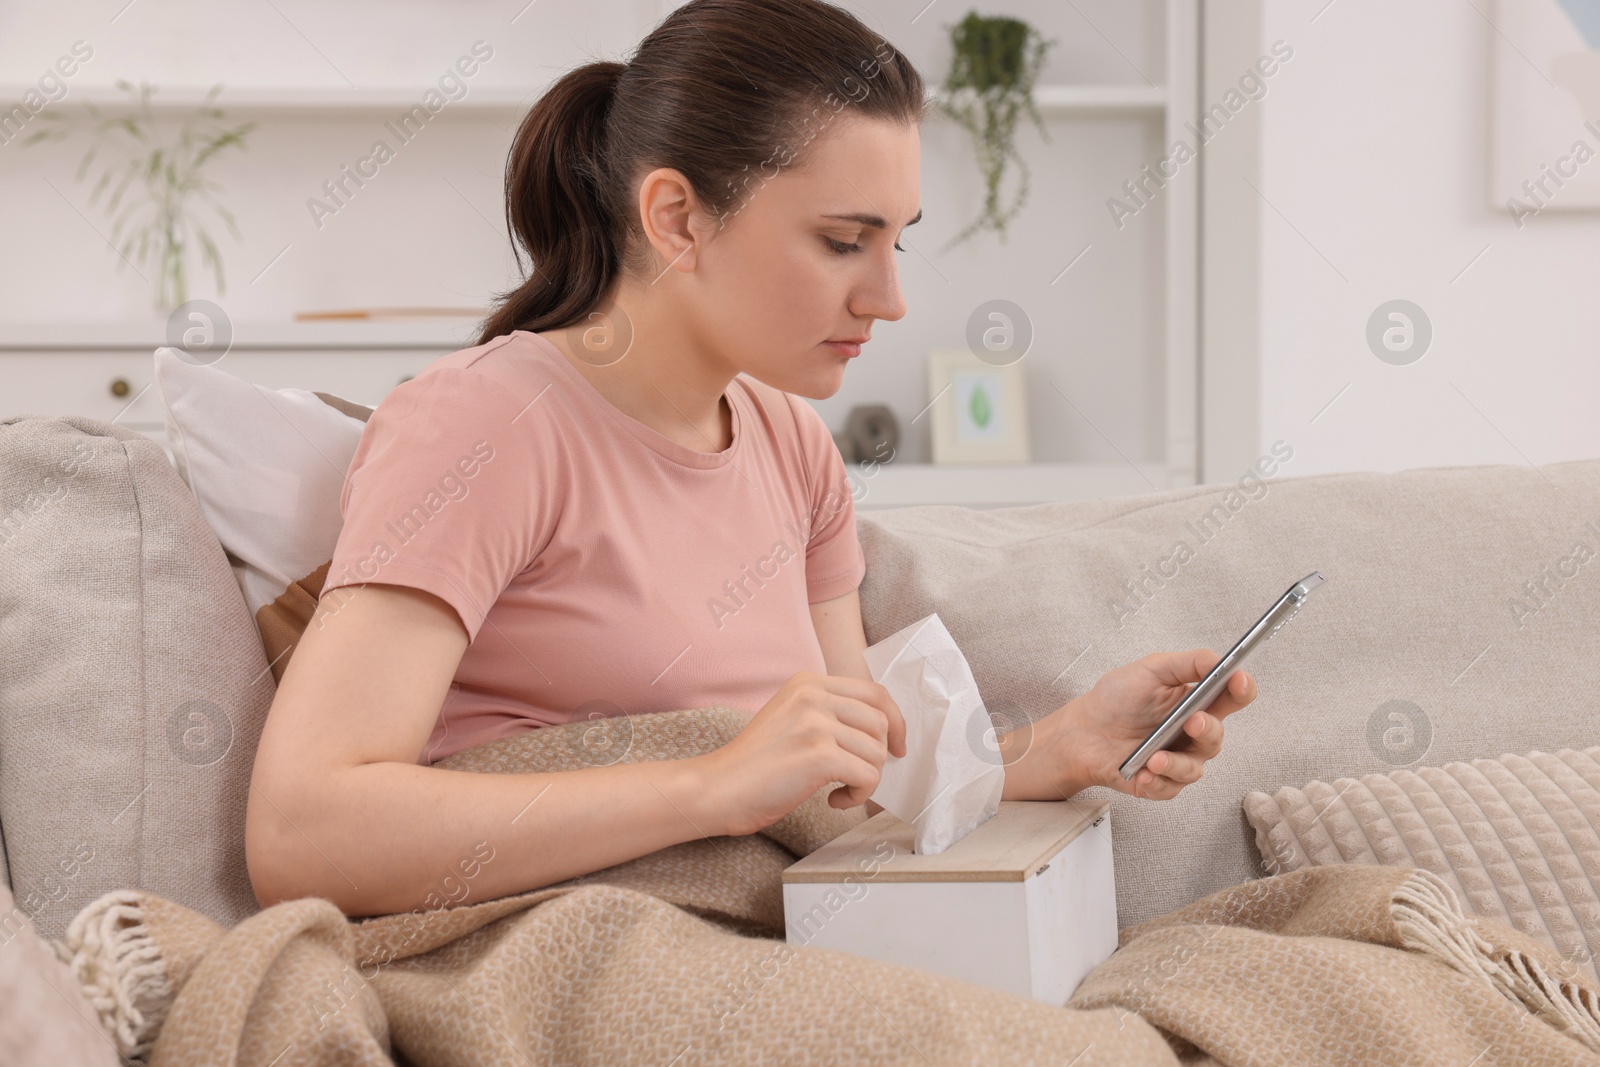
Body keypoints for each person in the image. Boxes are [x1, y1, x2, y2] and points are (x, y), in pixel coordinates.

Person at [245, 0, 1256, 918]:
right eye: (839, 241)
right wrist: (711, 783)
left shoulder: (791, 445)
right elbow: (302, 835)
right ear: (677, 218)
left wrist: (1063, 743)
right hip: (557, 932)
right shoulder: (480, 428)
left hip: (779, 918)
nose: (887, 298)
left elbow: (840, 784)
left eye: (895, 241)